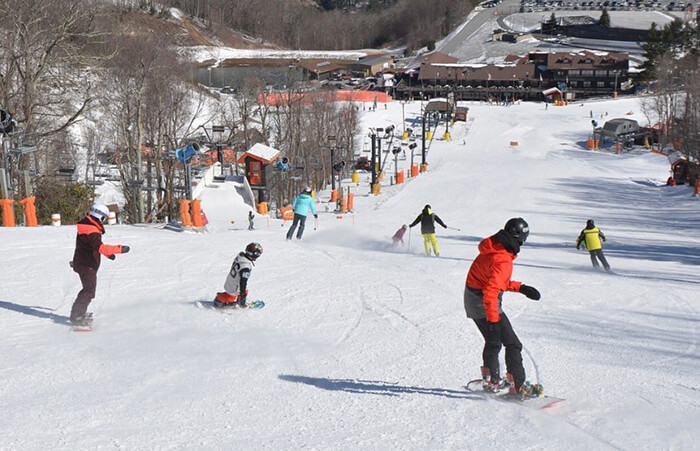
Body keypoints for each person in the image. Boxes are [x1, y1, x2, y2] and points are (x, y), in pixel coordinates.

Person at [464, 217, 543, 398]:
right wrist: (493, 321)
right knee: (512, 344)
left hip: (474, 298)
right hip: (482, 302)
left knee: (494, 341)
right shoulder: (503, 259)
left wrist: (521, 288)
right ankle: (518, 386)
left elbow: (494, 280)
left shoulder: (495, 246)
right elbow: (492, 291)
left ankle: (492, 380)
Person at [69, 203, 130, 326]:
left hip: (83, 262)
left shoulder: (88, 226)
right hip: (87, 265)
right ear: (100, 217)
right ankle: (77, 316)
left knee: (88, 290)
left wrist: (108, 254)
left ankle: (78, 312)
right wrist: (118, 249)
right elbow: (100, 247)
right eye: (104, 219)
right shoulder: (91, 231)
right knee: (89, 291)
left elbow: (94, 247)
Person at [214, 242, 263, 308]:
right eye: (258, 254)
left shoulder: (241, 256)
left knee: (245, 291)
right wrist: (242, 294)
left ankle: (239, 301)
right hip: (234, 286)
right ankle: (219, 299)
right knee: (231, 297)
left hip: (231, 281)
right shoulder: (245, 267)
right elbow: (243, 282)